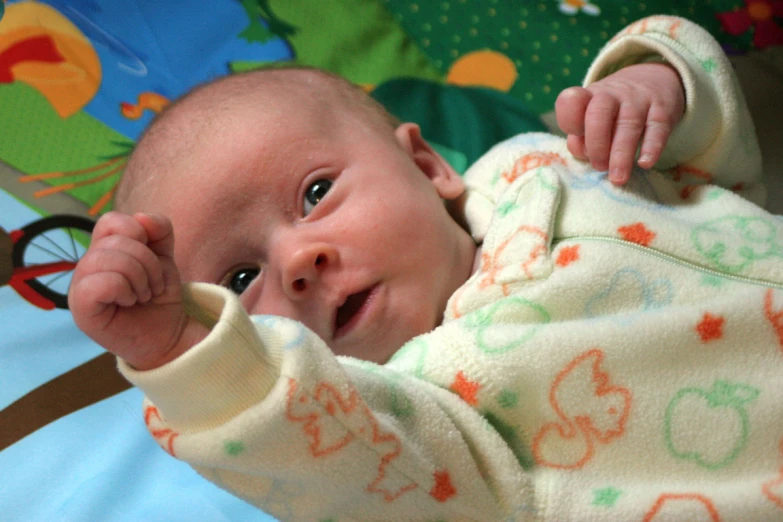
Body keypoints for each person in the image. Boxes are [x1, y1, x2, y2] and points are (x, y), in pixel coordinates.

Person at [69, 15, 783, 521]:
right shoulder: (409, 427)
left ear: (426, 165)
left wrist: (653, 89)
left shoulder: (533, 167)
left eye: (316, 194)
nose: (296, 261)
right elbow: (316, 458)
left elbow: (709, 167)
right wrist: (177, 353)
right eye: (236, 281)